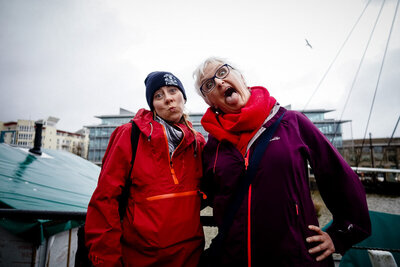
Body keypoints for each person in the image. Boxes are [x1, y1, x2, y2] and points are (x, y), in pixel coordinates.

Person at [193, 57, 371, 266]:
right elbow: (196, 195)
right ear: (209, 101)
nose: (220, 82)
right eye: (209, 85)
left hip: (294, 258)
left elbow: (338, 175)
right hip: (235, 258)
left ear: (241, 77)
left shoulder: (291, 122)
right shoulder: (214, 146)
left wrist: (340, 234)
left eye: (222, 73)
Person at [85, 71, 206, 266]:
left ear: (183, 96)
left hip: (190, 258)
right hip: (140, 258)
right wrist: (107, 260)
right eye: (158, 95)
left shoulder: (197, 142)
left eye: (173, 90)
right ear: (153, 106)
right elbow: (105, 201)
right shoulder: (129, 135)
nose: (168, 99)